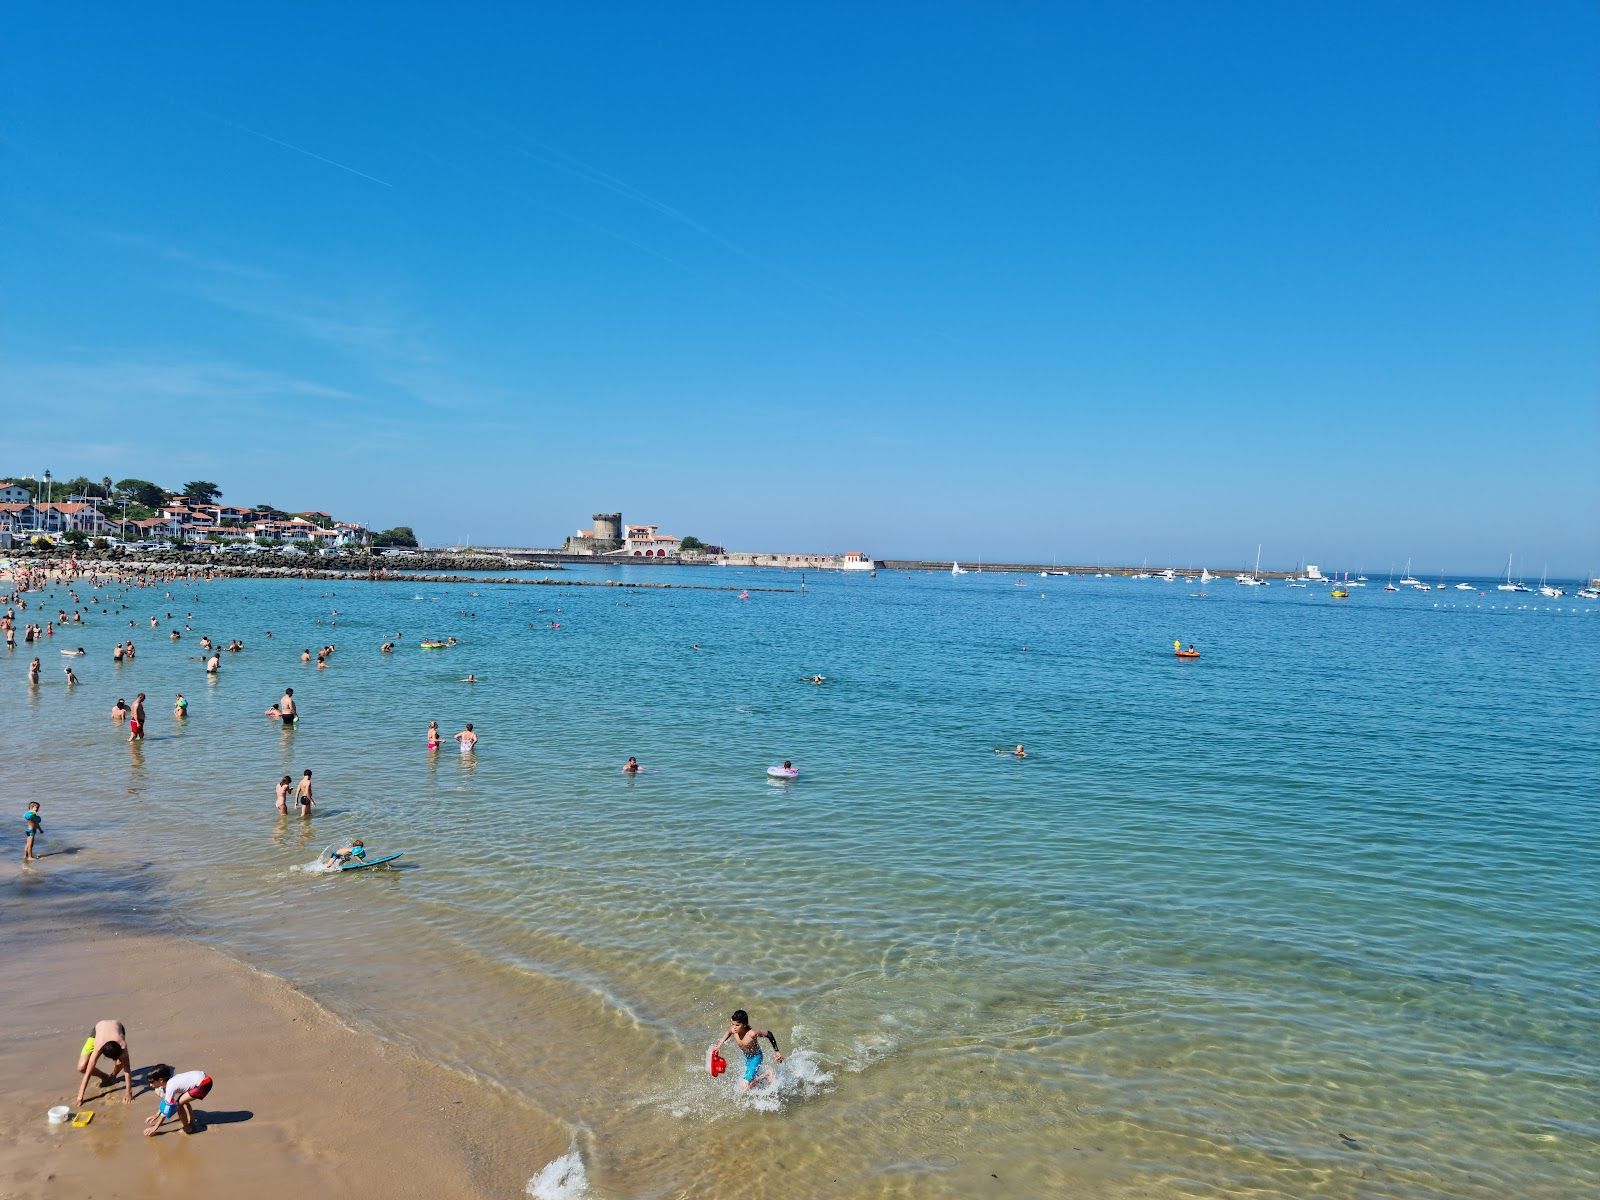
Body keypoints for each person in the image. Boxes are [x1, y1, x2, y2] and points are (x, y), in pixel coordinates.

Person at [711, 1009, 784, 1091]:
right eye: (733, 1024)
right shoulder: (733, 1030)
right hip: (747, 1057)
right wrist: (719, 1045)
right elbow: (728, 1032)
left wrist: (777, 1051)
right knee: (750, 1081)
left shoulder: (752, 1033)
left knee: (744, 1087)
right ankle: (763, 1077)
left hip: (756, 1057)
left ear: (744, 1024)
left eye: (737, 1025)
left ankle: (766, 1075)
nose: (734, 1027)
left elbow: (769, 1034)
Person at [75, 1019, 134, 1106]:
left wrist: (129, 1092)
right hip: (98, 1031)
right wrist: (80, 1097)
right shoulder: (98, 1046)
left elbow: (127, 1070)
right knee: (82, 1067)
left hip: (117, 1027)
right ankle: (105, 1077)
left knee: (122, 1060)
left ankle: (113, 1076)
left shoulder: (122, 1045)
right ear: (102, 1052)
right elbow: (87, 1072)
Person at [143, 1064, 214, 1136]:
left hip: (203, 1084)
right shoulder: (171, 1080)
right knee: (183, 1101)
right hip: (204, 1078)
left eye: (152, 1082)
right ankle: (192, 1123)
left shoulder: (170, 1086)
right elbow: (166, 1102)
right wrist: (156, 1115)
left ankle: (187, 1129)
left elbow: (166, 1110)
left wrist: (155, 1127)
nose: (150, 1085)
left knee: (178, 1105)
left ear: (161, 1080)